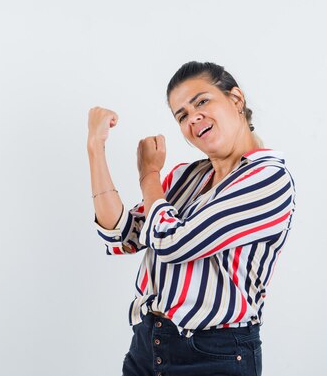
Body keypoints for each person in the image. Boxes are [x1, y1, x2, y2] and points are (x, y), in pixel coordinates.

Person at [87, 61, 296, 376]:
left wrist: (149, 175)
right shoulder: (187, 176)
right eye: (181, 115)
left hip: (215, 355)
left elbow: (174, 243)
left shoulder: (267, 178)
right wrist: (95, 147)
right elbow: (123, 237)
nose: (193, 117)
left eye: (202, 101)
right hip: (148, 344)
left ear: (236, 100)